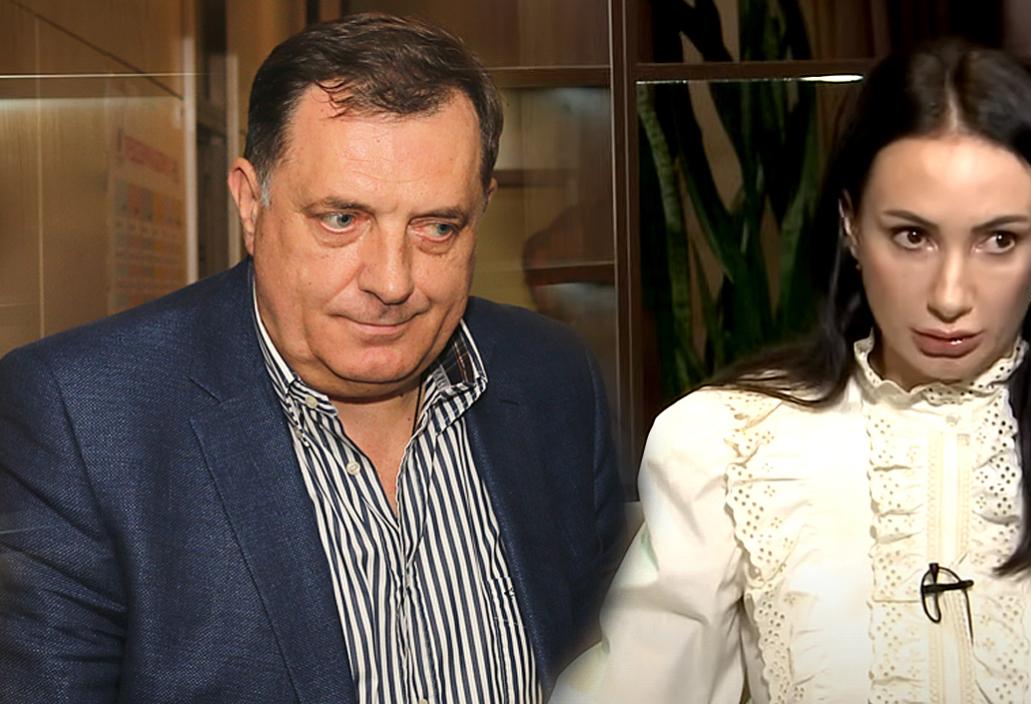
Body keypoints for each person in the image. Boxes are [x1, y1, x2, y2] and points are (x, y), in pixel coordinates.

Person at [554, 39, 1031, 703]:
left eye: (999, 239)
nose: (950, 295)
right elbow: (643, 685)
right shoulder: (728, 442)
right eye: (912, 236)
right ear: (851, 225)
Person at [0, 13, 622, 704]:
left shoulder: (555, 379)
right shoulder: (80, 421)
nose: (392, 281)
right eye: (342, 219)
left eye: (438, 226)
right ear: (250, 204)